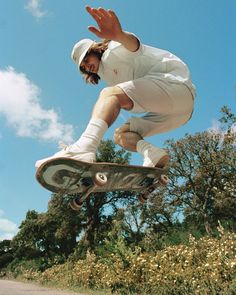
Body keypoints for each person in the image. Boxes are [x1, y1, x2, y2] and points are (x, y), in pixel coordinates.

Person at [35, 6, 196, 169]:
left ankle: (84, 147)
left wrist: (119, 36)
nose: (86, 66)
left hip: (176, 85)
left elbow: (134, 46)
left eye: (86, 59)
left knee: (109, 94)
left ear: (94, 50)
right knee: (121, 135)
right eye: (82, 66)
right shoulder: (109, 76)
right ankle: (152, 155)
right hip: (177, 115)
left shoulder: (112, 51)